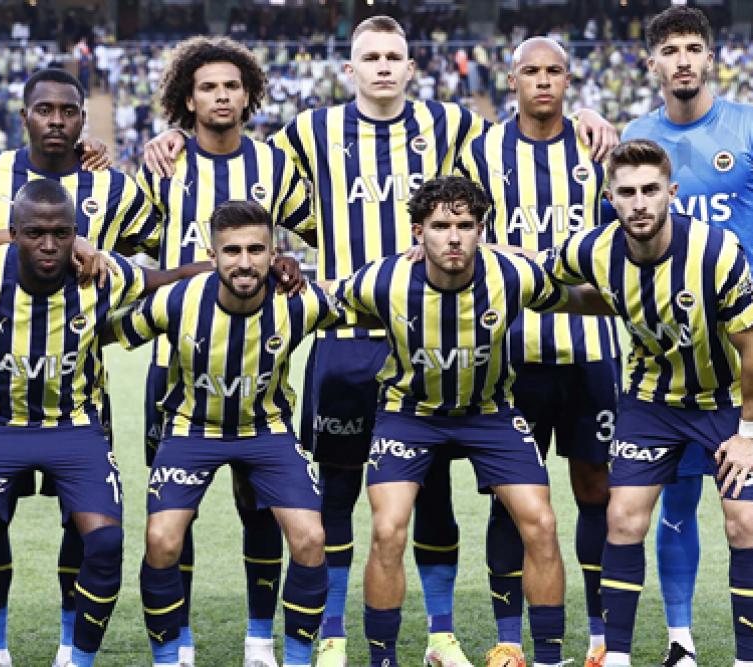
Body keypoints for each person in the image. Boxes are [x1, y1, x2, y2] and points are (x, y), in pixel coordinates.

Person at [144, 20, 618, 666]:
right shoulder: (309, 131)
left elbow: (529, 127)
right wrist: (176, 131)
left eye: (395, 55)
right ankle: (334, 633)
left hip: (427, 329)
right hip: (345, 333)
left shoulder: (450, 124)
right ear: (351, 69)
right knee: (338, 492)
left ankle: (441, 635)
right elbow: (232, 147)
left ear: (411, 67)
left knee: (434, 492)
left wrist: (584, 115)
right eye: (371, 56)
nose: (384, 66)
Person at [622, 8, 753, 666]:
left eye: (693, 47)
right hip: (673, 357)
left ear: (710, 57)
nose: (682, 59)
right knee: (678, 499)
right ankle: (680, 641)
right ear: (651, 63)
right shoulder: (637, 138)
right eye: (669, 50)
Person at [332, 176, 602, 667]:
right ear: (418, 232)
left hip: (489, 413)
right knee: (388, 528)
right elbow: (320, 303)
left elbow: (578, 298)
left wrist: (639, 291)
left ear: (482, 230)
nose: (453, 237)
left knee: (541, 522)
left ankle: (547, 658)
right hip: (409, 415)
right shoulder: (384, 280)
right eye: (440, 226)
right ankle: (382, 660)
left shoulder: (512, 275)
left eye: (465, 225)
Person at [0, 179, 202, 667]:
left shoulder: (102, 275)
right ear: (14, 232)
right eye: (35, 233)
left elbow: (171, 277)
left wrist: (262, 265)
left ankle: (78, 658)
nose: (49, 245)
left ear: (77, 234)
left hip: (74, 427)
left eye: (61, 233)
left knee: (106, 541)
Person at [539, 139, 753, 667]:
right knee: (623, 519)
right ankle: (617, 658)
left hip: (725, 401)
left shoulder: (715, 251)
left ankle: (748, 663)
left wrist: (750, 434)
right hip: (650, 401)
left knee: (744, 523)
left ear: (672, 192)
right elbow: (535, 272)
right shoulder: (592, 250)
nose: (640, 202)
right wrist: (477, 253)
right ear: (610, 199)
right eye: (627, 193)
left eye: (650, 190)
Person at [0, 66, 143, 667]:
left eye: (68, 111)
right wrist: (18, 238)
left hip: (81, 397)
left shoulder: (114, 186)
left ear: (83, 117)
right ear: (23, 114)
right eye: (44, 110)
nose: (56, 120)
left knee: (85, 528)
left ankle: (70, 644)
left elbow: (152, 260)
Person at [125, 36, 313, 667]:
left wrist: (286, 261)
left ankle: (260, 638)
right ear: (188, 98)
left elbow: (315, 233)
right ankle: (177, 643)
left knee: (260, 511)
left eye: (232, 85)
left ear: (248, 94)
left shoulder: (276, 166)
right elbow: (132, 250)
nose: (222, 96)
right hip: (176, 370)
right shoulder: (164, 165)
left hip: (260, 367)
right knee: (174, 519)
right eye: (208, 87)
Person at [109, 200, 336, 667]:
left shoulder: (299, 302)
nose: (244, 262)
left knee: (311, 538)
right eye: (231, 251)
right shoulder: (178, 300)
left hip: (267, 430)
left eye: (256, 250)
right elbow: (111, 331)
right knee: (162, 539)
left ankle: (293, 658)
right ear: (212, 255)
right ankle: (169, 658)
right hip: (191, 429)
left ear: (274, 254)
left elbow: (371, 305)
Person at [456, 37, 619, 667]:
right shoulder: (482, 152)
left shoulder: (596, 147)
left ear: (569, 81)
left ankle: (601, 636)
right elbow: (464, 238)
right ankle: (508, 639)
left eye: (554, 71)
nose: (543, 81)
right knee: (512, 495)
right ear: (512, 79)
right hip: (511, 356)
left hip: (591, 352)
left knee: (595, 490)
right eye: (531, 71)